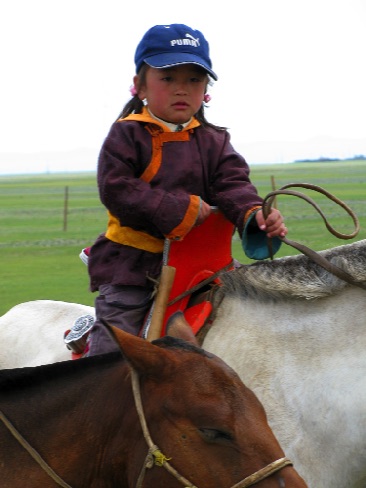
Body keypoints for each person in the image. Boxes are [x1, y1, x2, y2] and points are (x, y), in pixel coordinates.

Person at [84, 23, 287, 356]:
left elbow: (232, 184)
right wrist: (182, 209)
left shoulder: (214, 141)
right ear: (140, 85)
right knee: (112, 354)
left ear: (206, 89)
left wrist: (256, 216)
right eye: (168, 78)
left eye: (193, 80)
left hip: (203, 266)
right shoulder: (126, 136)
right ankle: (95, 400)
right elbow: (118, 190)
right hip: (135, 267)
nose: (181, 89)